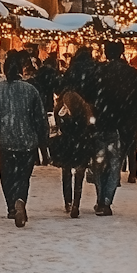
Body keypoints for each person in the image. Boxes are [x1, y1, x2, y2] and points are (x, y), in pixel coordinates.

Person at [0, 50, 48, 227]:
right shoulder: (31, 91)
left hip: (6, 139)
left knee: (7, 174)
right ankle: (20, 199)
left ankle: (12, 205)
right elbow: (39, 118)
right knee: (23, 175)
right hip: (28, 140)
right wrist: (43, 138)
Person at [93, 40, 137, 208]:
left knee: (101, 162)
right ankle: (107, 200)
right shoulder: (134, 75)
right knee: (116, 160)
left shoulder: (98, 73)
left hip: (102, 122)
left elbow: (90, 96)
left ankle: (101, 196)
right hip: (126, 123)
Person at [53, 86, 96, 218]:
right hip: (81, 143)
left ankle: (68, 201)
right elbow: (91, 125)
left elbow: (58, 123)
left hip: (67, 144)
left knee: (66, 173)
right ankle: (76, 202)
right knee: (79, 174)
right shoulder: (84, 106)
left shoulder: (62, 105)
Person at [34, 52, 61, 166]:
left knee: (37, 129)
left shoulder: (40, 72)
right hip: (48, 103)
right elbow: (56, 88)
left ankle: (38, 157)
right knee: (47, 130)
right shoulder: (52, 73)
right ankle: (47, 155)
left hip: (39, 103)